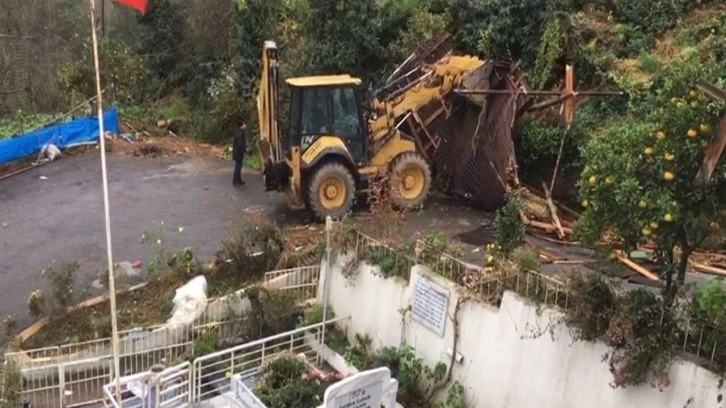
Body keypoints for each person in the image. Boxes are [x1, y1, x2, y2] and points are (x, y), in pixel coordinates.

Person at [232, 120, 247, 186]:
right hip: (238, 152)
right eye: (244, 124)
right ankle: (235, 180)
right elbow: (240, 144)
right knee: (238, 166)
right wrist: (243, 151)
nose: (246, 125)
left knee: (239, 166)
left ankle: (238, 180)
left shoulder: (238, 132)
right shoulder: (240, 133)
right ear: (242, 125)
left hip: (237, 152)